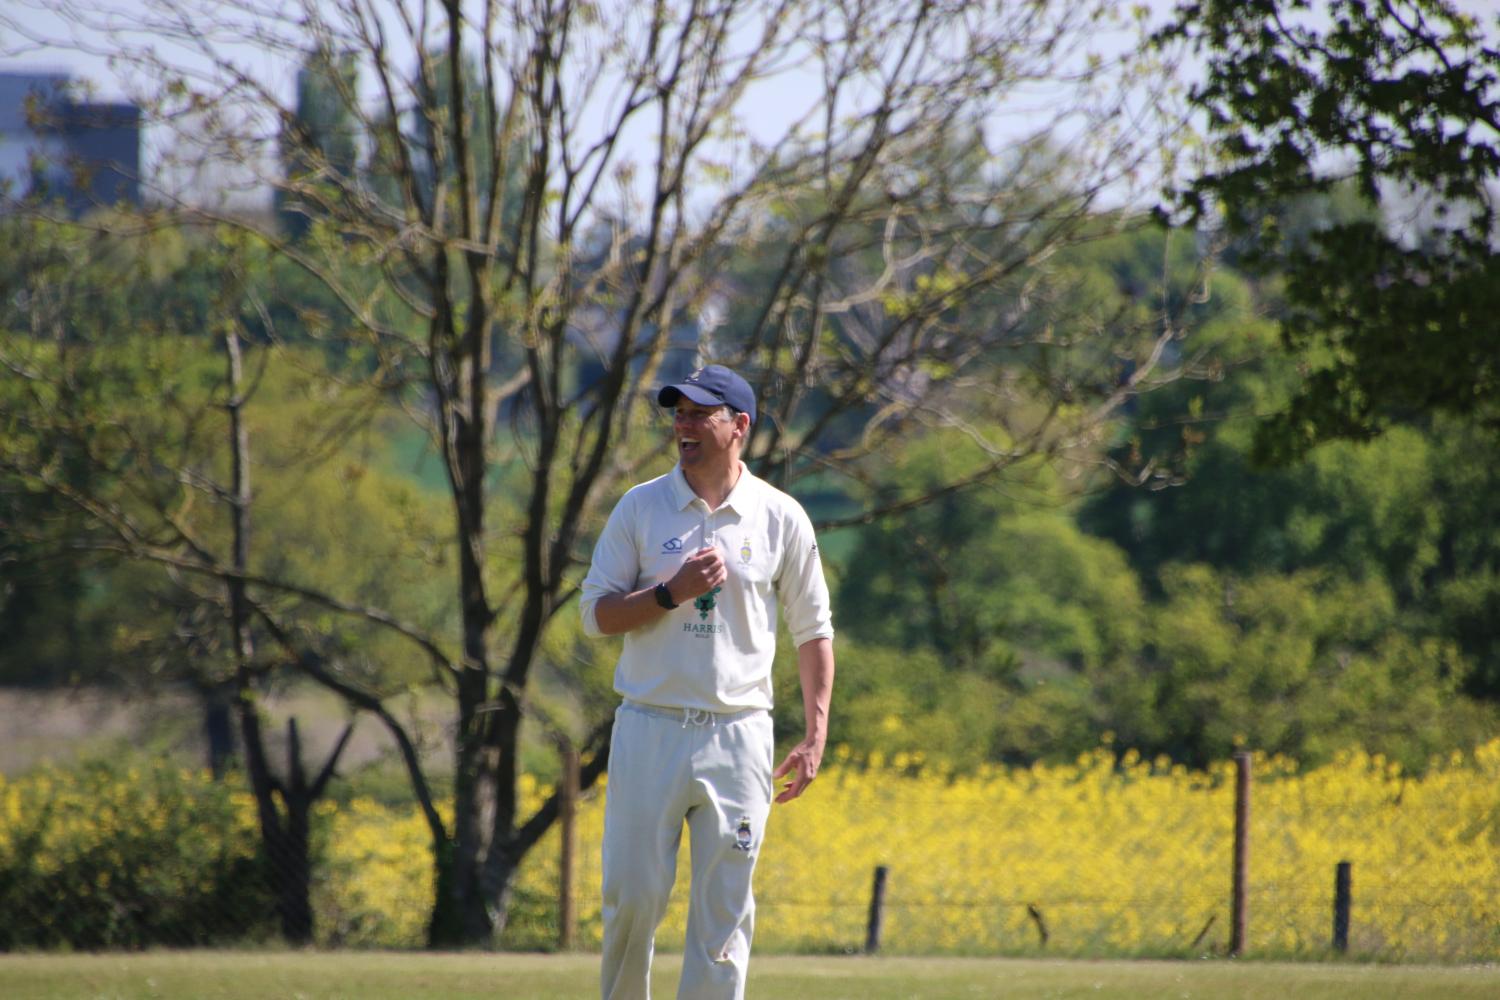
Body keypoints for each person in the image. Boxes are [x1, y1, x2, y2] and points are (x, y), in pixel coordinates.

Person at [580, 364, 836, 1000]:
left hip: (739, 735)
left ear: (739, 426)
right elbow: (597, 615)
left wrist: (814, 734)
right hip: (649, 726)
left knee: (724, 916)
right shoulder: (641, 505)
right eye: (679, 413)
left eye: (700, 414)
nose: (684, 425)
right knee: (632, 901)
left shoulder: (780, 516)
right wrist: (671, 593)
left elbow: (813, 632)